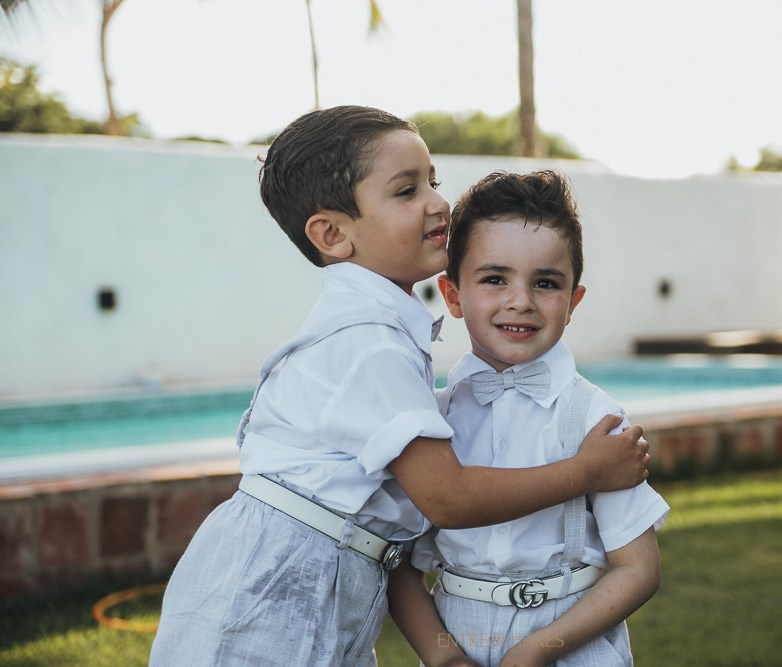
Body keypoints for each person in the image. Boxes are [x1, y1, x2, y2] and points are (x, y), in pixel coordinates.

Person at [149, 107, 651, 667]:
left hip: (322, 577)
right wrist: (588, 470)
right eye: (407, 190)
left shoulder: (385, 331)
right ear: (334, 234)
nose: (439, 202)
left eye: (432, 182)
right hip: (273, 588)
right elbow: (447, 498)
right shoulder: (370, 341)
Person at [388, 170, 669, 666]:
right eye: (495, 279)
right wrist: (444, 658)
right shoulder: (430, 421)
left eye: (545, 283)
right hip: (457, 636)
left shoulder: (597, 422)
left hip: (568, 638)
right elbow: (400, 567)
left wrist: (540, 650)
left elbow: (638, 569)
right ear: (452, 295)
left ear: (573, 301)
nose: (521, 300)